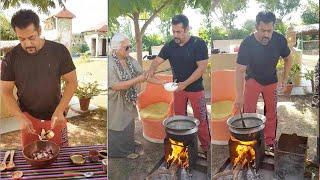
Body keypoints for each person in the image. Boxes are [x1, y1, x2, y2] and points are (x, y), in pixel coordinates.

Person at [0, 9, 77, 147]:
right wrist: (20, 117)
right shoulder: (10, 58)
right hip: (28, 118)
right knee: (32, 157)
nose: (28, 44)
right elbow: (6, 91)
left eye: (31, 37)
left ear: (39, 30)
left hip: (57, 115)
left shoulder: (59, 51)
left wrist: (61, 109)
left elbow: (72, 82)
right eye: (21, 39)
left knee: (62, 155)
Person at [146, 14, 211, 153]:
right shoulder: (170, 46)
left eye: (179, 32)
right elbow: (157, 61)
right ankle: (184, 145)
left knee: (201, 118)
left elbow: (201, 68)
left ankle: (206, 146)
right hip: (178, 89)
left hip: (196, 89)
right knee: (179, 119)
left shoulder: (198, 44)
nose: (175, 35)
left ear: (187, 29)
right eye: (173, 31)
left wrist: (185, 83)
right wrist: (151, 69)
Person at [235, 11, 293, 150]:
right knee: (249, 112)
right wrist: (239, 95)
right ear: (256, 27)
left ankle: (269, 141)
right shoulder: (247, 43)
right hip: (253, 80)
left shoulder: (279, 39)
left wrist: (284, 78)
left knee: (271, 112)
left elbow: (288, 58)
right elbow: (240, 70)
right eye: (262, 30)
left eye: (269, 30)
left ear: (273, 27)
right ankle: (250, 141)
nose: (266, 34)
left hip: (271, 81)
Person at [108, 33, 165, 158]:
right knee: (118, 126)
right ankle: (121, 153)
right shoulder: (110, 63)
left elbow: (144, 75)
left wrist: (162, 82)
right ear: (116, 48)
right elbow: (116, 86)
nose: (130, 50)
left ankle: (128, 145)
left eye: (130, 46)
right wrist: (138, 79)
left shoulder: (130, 60)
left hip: (128, 99)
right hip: (115, 102)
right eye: (126, 48)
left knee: (128, 124)